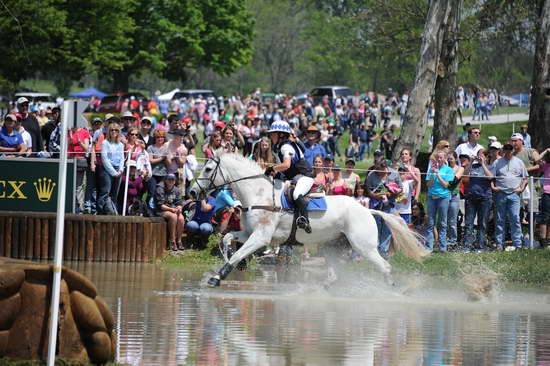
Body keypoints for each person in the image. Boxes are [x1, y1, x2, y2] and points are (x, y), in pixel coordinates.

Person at [265, 121, 314, 233]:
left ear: (280, 134)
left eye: (273, 134)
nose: (271, 136)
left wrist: (273, 168)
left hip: (305, 176)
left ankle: (305, 220)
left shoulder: (285, 147)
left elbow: (286, 165)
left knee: (297, 194)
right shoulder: (285, 146)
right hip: (296, 177)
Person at [491, 143, 528, 251]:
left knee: (515, 219)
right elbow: (491, 176)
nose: (508, 151)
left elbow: (525, 178)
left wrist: (521, 189)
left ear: (513, 150)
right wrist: (493, 187)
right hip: (500, 193)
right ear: (503, 150)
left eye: (510, 149)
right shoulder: (497, 162)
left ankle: (518, 244)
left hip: (514, 194)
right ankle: (499, 244)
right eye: (506, 148)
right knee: (499, 219)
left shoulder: (519, 162)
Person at [364, 156, 403, 257]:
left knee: (387, 227)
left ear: (385, 167)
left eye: (380, 169)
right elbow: (368, 191)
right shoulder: (371, 175)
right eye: (376, 169)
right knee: (376, 226)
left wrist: (393, 193)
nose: (378, 172)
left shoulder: (394, 173)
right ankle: (375, 250)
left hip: (389, 205)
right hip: (375, 205)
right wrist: (375, 196)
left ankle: (383, 251)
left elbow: (401, 189)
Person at [463, 149, 494, 252]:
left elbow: (490, 177)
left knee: (483, 223)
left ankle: (480, 246)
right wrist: (471, 161)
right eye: (479, 155)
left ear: (486, 157)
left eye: (483, 155)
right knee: (469, 223)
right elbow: (465, 175)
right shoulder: (473, 167)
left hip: (485, 198)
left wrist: (483, 164)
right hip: (471, 198)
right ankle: (467, 246)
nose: (480, 157)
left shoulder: (490, 167)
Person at [425, 151, 455, 253]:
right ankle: (429, 248)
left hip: (443, 198)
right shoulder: (431, 169)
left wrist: (438, 175)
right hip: (431, 198)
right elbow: (428, 184)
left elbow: (446, 185)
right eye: (437, 157)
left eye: (441, 157)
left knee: (442, 223)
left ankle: (442, 248)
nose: (439, 159)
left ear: (445, 158)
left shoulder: (448, 170)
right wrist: (433, 174)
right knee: (430, 223)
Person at [98, 123, 125, 215]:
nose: (114, 132)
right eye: (112, 130)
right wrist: (113, 172)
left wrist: (121, 170)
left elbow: (122, 158)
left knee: (115, 193)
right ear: (108, 131)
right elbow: (104, 159)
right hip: (107, 169)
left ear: (118, 132)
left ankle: (112, 211)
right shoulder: (105, 143)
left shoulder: (121, 145)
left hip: (118, 169)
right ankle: (101, 211)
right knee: (105, 191)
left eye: (116, 130)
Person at [155, 173, 185, 251]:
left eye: (172, 180)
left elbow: (179, 202)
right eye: (169, 179)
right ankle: (172, 241)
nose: (171, 181)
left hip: (173, 209)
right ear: (165, 180)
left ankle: (179, 241)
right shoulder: (160, 188)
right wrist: (172, 210)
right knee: (173, 216)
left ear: (175, 181)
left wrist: (179, 208)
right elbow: (160, 205)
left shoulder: (177, 190)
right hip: (161, 210)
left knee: (181, 218)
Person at [446, 152, 465, 247]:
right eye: (448, 159)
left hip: (454, 195)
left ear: (456, 158)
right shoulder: (445, 168)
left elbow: (454, 180)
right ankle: (444, 238)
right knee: (444, 219)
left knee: (452, 220)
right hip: (444, 195)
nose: (450, 160)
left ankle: (453, 240)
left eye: (451, 158)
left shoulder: (459, 169)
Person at [537, 148, 550, 248]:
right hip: (547, 193)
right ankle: (543, 239)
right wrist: (546, 151)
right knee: (545, 217)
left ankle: (548, 239)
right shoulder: (546, 166)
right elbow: (537, 160)